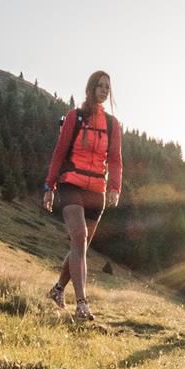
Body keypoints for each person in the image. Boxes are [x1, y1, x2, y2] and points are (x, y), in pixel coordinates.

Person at [42, 70, 122, 321]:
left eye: (107, 87)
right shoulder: (74, 117)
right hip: (71, 184)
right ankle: (82, 303)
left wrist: (115, 187)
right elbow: (59, 152)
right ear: (90, 88)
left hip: (97, 190)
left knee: (81, 246)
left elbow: (116, 160)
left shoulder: (112, 124)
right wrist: (49, 186)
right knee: (79, 236)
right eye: (100, 85)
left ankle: (57, 289)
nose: (104, 90)